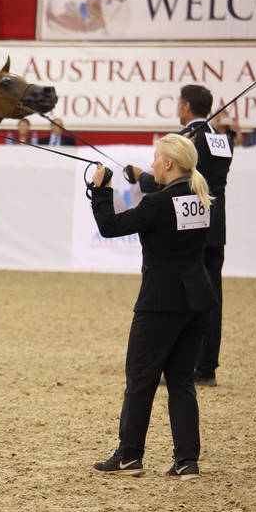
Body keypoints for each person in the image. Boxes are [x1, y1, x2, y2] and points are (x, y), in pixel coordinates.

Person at [90, 134, 217, 480]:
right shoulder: (202, 199)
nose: (153, 164)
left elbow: (110, 226)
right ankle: (187, 460)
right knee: (181, 382)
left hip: (160, 301)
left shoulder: (158, 204)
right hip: (198, 299)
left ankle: (129, 455)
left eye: (156, 158)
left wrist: (100, 191)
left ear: (170, 164)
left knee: (140, 380)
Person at [125, 84, 232, 387]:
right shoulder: (223, 140)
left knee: (176, 294)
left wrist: (140, 176)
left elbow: (173, 181)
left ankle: (172, 361)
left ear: (186, 107)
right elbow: (215, 171)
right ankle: (207, 366)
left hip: (187, 223)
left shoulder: (188, 142)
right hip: (215, 224)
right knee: (213, 298)